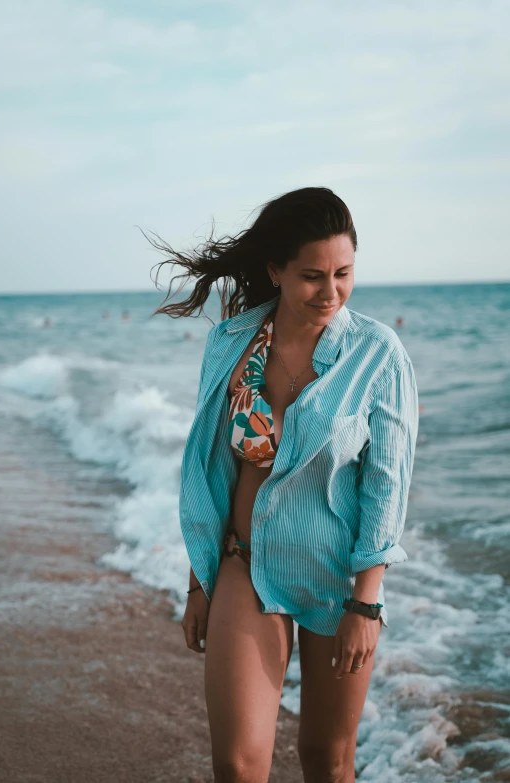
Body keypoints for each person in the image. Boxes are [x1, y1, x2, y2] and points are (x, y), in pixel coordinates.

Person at [147, 187, 419, 782]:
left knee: (328, 760)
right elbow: (210, 472)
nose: (330, 292)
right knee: (239, 766)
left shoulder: (378, 354)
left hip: (336, 578)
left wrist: (366, 601)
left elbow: (386, 486)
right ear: (275, 270)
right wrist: (200, 582)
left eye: (343, 274)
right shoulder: (232, 343)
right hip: (246, 563)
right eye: (311, 276)